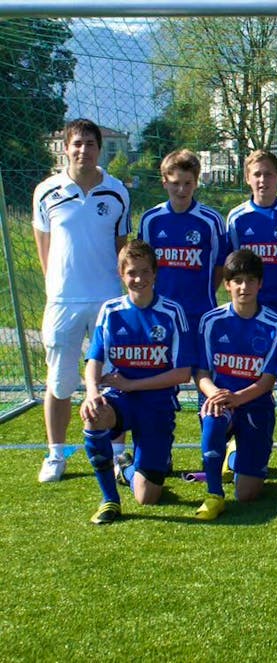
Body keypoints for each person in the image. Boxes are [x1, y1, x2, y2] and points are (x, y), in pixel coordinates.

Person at [33, 118, 131, 483]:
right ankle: (56, 454)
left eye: (89, 144)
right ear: (66, 147)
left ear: (98, 148)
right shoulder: (46, 191)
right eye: (76, 144)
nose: (82, 151)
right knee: (59, 382)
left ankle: (119, 454)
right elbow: (43, 245)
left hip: (107, 299)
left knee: (113, 380)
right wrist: (57, 287)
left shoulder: (117, 191)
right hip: (63, 301)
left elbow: (122, 250)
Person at [79, 240, 192, 524]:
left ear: (155, 273)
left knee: (147, 496)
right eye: (131, 273)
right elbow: (94, 360)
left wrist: (131, 384)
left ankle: (126, 469)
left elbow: (183, 373)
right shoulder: (110, 311)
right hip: (120, 400)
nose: (138, 279)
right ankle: (109, 501)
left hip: (157, 405)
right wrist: (92, 392)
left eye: (144, 271)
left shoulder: (171, 312)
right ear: (121, 275)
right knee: (94, 415)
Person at [227, 149, 277, 472]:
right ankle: (235, 446)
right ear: (248, 178)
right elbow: (231, 270)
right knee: (243, 378)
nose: (263, 180)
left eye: (268, 174)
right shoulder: (236, 218)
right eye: (256, 174)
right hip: (250, 316)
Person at [193, 249, 277, 520]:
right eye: (238, 280)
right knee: (213, 415)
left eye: (251, 280)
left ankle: (233, 457)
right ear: (227, 284)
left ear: (260, 284)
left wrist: (238, 397)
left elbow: (267, 381)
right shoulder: (211, 321)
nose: (244, 287)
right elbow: (201, 373)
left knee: (246, 495)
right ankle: (213, 494)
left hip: (255, 403)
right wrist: (215, 395)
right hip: (222, 401)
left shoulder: (275, 324)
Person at [137, 148, 227, 333]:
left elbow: (220, 265)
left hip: (199, 312)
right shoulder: (151, 220)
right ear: (164, 183)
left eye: (188, 183)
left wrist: (204, 293)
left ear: (196, 183)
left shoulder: (211, 220)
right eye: (175, 183)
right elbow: (142, 264)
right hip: (160, 311)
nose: (182, 190)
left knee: (198, 363)